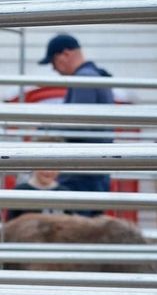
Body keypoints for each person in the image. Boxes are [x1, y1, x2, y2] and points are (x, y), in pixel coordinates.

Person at [38, 33, 115, 203]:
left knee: (74, 224)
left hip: (81, 172)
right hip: (95, 169)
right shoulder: (96, 75)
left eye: (54, 62)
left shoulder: (83, 78)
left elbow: (78, 124)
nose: (55, 69)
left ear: (65, 54)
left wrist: (47, 129)